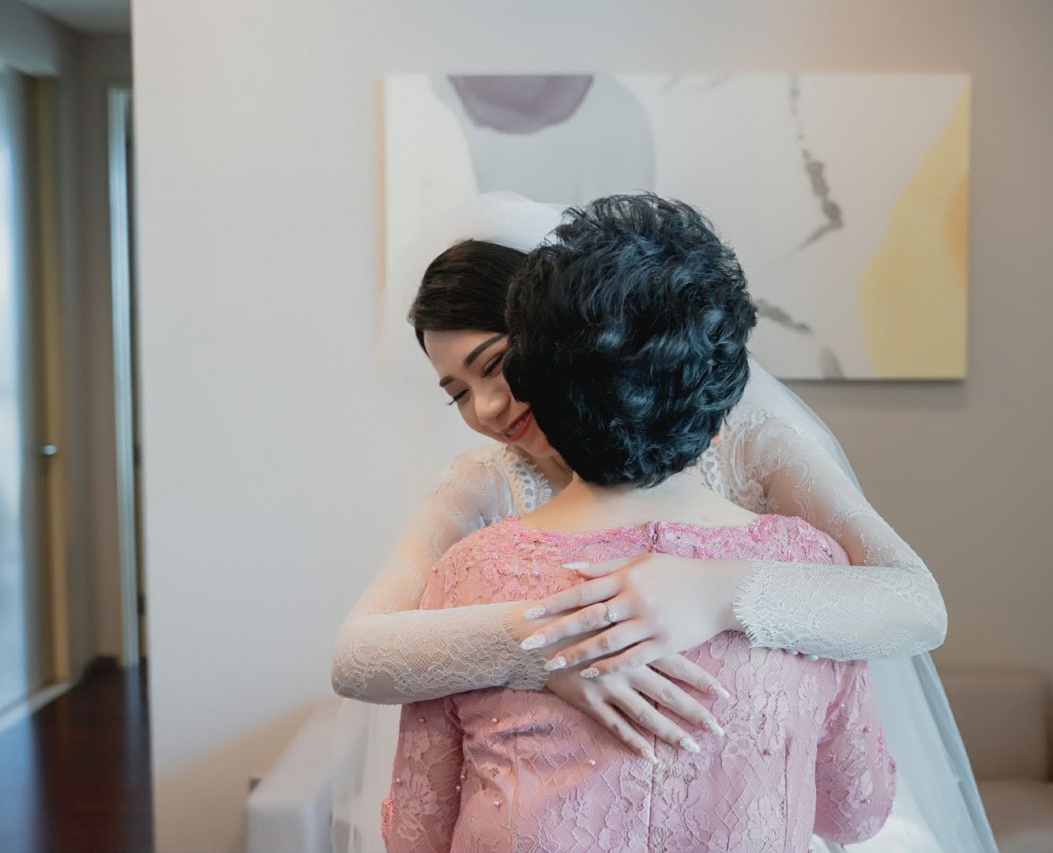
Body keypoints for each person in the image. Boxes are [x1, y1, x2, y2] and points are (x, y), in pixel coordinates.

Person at [332, 192, 996, 852]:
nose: (486, 407)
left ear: (552, 345)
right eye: (457, 392)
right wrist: (550, 649)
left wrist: (718, 590)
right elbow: (358, 654)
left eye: (495, 366)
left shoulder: (752, 449)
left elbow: (915, 602)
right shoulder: (480, 491)